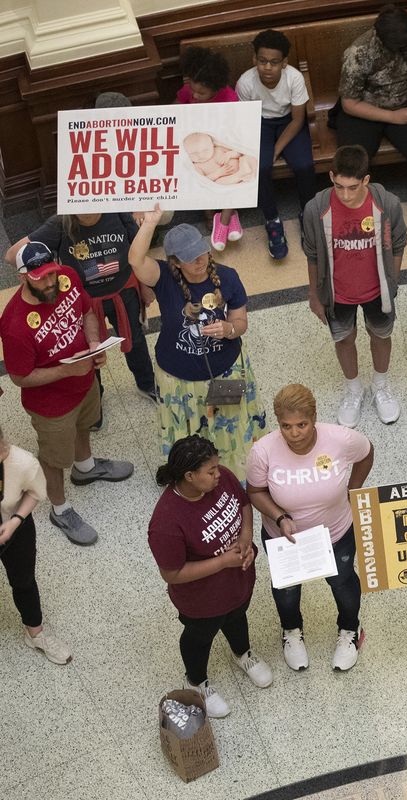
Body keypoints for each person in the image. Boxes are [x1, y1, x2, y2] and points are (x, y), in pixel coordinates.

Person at [0, 248, 135, 545]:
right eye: (40, 278)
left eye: (52, 273)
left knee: (85, 424)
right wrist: (66, 372)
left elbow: (86, 311)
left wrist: (94, 342)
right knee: (53, 458)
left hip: (84, 381)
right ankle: (60, 509)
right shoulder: (14, 325)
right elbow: (20, 377)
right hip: (51, 405)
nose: (50, 282)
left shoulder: (68, 278)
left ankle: (85, 467)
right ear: (23, 277)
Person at [128, 210, 266, 479]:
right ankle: (188, 475)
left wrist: (228, 329)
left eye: (201, 253)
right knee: (187, 433)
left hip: (224, 371)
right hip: (178, 378)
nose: (199, 261)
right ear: (175, 262)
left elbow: (241, 321)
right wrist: (151, 223)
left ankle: (228, 474)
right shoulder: (163, 278)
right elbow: (135, 259)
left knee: (228, 425)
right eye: (190, 259)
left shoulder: (228, 277)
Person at [247, 384, 374, 672]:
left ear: (314, 416)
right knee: (287, 588)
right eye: (286, 426)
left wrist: (353, 489)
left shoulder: (340, 439)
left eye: (302, 424)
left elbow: (366, 452)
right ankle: (291, 631)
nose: (294, 433)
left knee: (342, 583)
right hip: (284, 538)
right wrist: (279, 517)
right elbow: (254, 491)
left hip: (336, 533)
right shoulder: (263, 450)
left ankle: (350, 630)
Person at [148, 435, 273, 719]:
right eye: (211, 471)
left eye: (218, 467)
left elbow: (243, 504)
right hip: (201, 601)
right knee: (200, 637)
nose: (219, 474)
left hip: (238, 582)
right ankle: (197, 682)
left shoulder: (223, 478)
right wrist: (222, 562)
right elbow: (172, 573)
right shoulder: (166, 522)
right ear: (190, 476)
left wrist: (245, 537)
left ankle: (243, 654)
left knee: (237, 616)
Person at [5, 212, 158, 418]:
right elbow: (11, 255)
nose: (87, 212)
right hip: (85, 299)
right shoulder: (59, 223)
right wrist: (36, 278)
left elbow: (138, 251)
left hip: (123, 291)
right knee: (87, 350)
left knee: (136, 340)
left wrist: (145, 285)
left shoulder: (117, 211)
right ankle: (95, 400)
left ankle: (147, 384)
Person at [301, 145, 407, 429]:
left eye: (352, 187)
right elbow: (312, 253)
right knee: (344, 339)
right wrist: (314, 294)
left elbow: (398, 243)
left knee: (381, 335)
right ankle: (353, 390)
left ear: (366, 180)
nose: (345, 195)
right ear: (331, 176)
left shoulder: (388, 204)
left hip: (377, 291)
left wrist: (392, 281)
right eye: (338, 186)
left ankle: (380, 386)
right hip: (337, 294)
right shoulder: (316, 209)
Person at [336, 5, 407, 232]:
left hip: (406, 102)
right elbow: (349, 103)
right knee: (352, 161)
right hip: (364, 109)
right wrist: (392, 117)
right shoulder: (358, 52)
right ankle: (353, 206)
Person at [236, 29, 318, 259]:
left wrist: (276, 150)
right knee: (259, 167)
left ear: (284, 63)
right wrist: (265, 152)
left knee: (303, 165)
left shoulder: (294, 77)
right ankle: (272, 220)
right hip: (258, 122)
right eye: (262, 61)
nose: (267, 67)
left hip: (288, 122)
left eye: (274, 62)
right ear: (254, 60)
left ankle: (308, 215)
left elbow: (298, 119)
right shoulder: (245, 82)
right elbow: (245, 120)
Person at [0, 427, 71, 664]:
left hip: (13, 526)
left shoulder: (21, 462)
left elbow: (34, 492)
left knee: (24, 581)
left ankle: (35, 633)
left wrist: (15, 521)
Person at [177, 49, 245, 251]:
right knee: (196, 170)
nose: (195, 96)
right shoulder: (188, 91)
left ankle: (224, 219)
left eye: (201, 94)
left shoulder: (229, 97)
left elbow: (237, 128)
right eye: (193, 92)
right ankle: (213, 213)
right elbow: (178, 105)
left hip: (221, 144)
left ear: (215, 88)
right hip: (197, 144)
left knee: (231, 168)